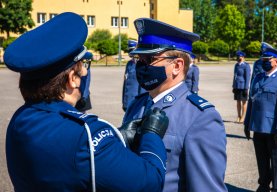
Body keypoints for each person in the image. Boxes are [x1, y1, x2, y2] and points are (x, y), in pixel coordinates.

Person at [4, 12, 169, 192]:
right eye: (82, 68)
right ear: (71, 78)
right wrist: (151, 135)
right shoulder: (87, 136)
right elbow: (151, 181)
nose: (84, 75)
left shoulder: (20, 119)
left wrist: (117, 139)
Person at [123, 18, 227, 192]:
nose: (140, 65)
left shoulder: (201, 118)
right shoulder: (137, 104)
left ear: (177, 66)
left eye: (149, 59)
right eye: (139, 58)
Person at [244, 47, 277, 192]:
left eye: (267, 60)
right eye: (263, 60)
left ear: (276, 61)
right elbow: (252, 103)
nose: (264, 62)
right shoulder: (257, 78)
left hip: (273, 129)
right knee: (262, 160)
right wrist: (247, 124)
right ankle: (264, 184)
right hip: (258, 126)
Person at [122, 40, 146, 111]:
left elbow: (142, 88)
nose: (130, 52)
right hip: (127, 101)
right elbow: (126, 84)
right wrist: (124, 101)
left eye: (132, 49)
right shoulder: (129, 63)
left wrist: (141, 104)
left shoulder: (142, 64)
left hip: (136, 104)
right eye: (129, 50)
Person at [232, 51, 251, 123]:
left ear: (243, 57)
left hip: (243, 86)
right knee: (238, 102)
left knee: (244, 102)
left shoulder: (246, 66)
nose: (238, 58)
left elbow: (247, 77)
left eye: (240, 57)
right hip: (237, 86)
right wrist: (233, 86)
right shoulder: (236, 65)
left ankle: (243, 117)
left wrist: (246, 88)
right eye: (237, 57)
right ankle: (238, 116)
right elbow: (235, 76)